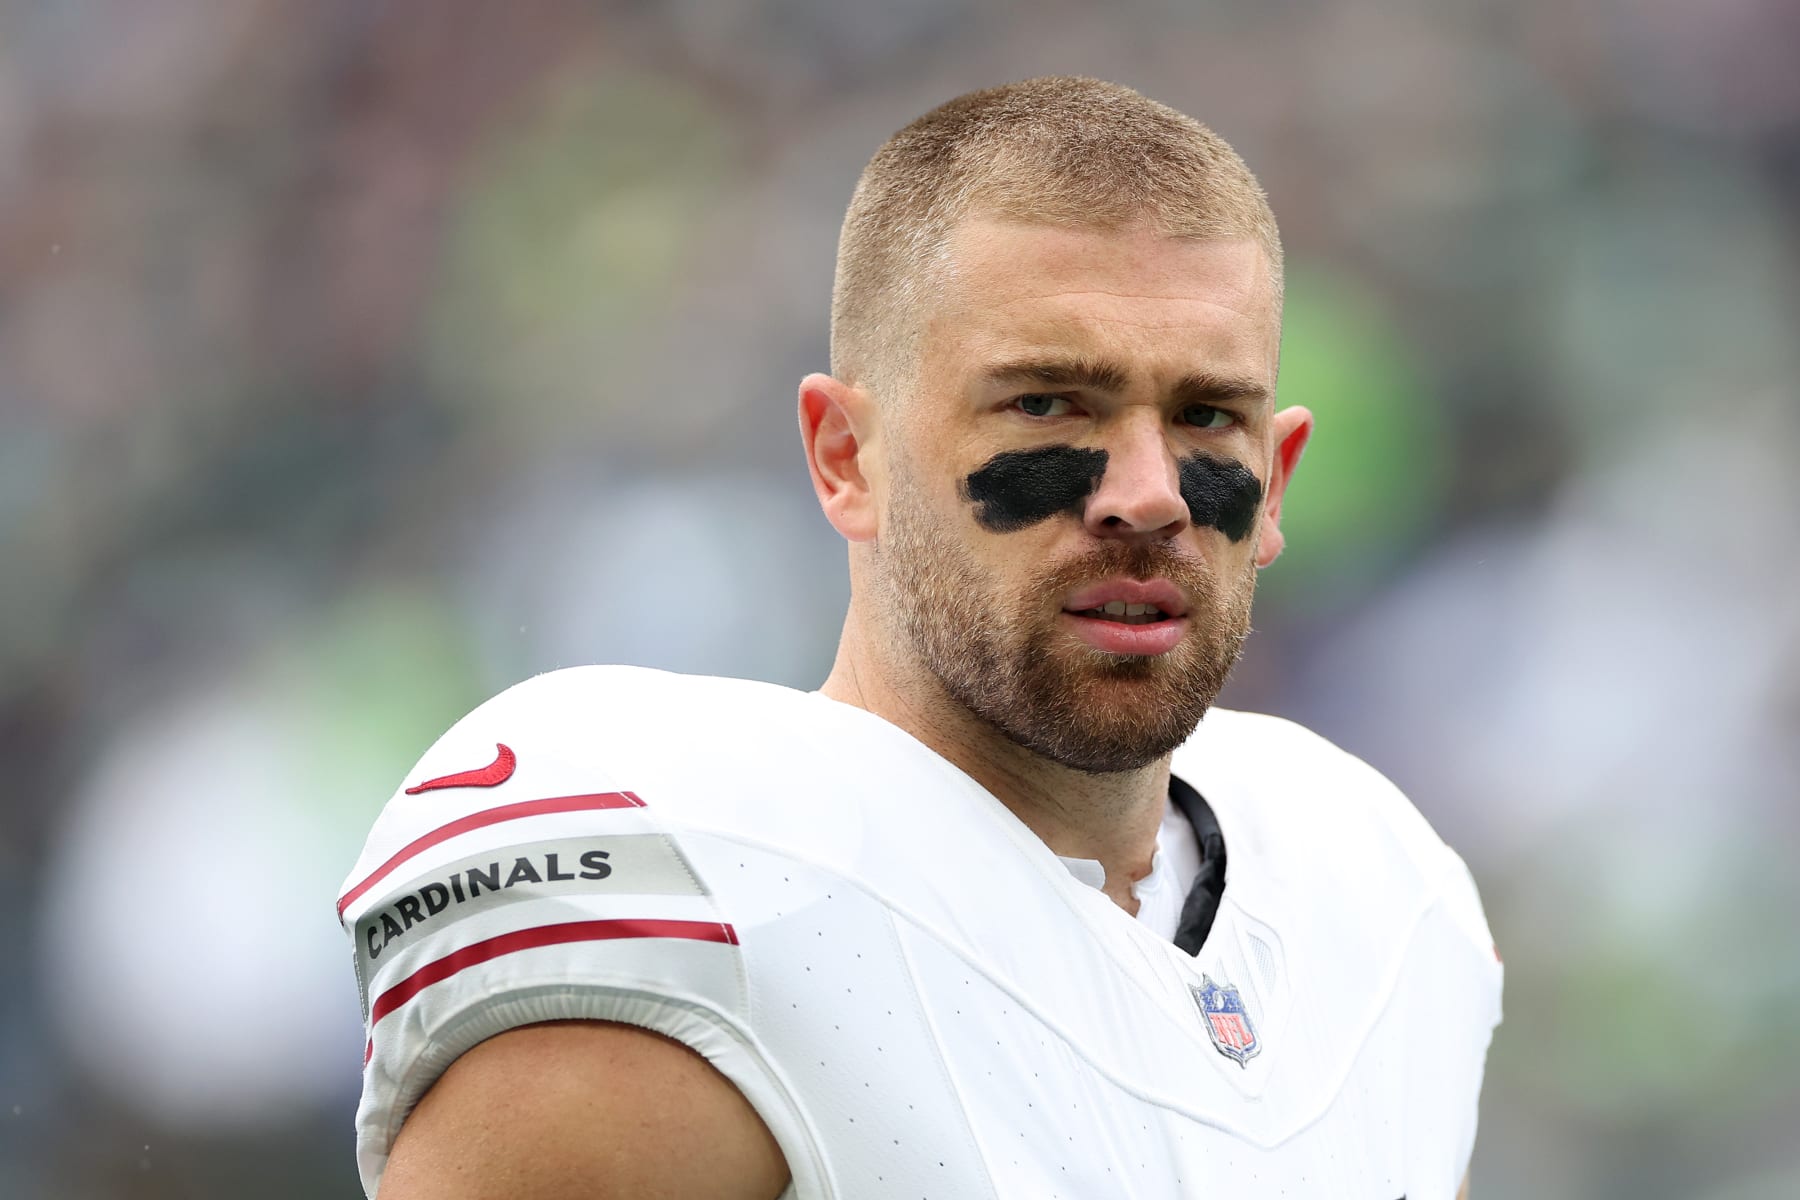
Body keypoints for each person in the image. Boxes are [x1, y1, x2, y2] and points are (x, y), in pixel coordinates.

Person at [339, 76, 1501, 1199]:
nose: (1149, 495)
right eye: (1047, 403)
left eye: (1206, 416)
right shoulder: (704, 885)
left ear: (1277, 481)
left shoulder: (1379, 899)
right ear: (847, 457)